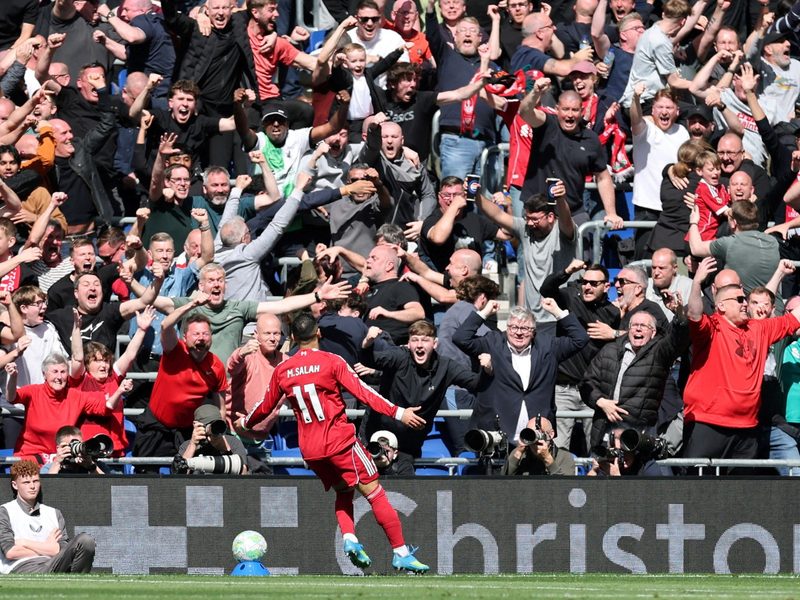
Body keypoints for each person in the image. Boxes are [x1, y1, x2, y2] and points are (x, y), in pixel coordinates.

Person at [235, 313, 429, 573]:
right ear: (318, 333)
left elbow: (264, 406)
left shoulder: (283, 370)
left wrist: (245, 423)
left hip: (311, 450)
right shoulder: (331, 361)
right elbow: (364, 392)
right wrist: (399, 412)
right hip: (339, 442)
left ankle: (349, 538)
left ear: (292, 338)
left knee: (344, 491)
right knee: (375, 493)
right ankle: (401, 552)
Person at [683, 257, 800, 461]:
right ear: (721, 305)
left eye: (744, 298)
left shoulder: (759, 328)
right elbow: (693, 313)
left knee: (742, 482)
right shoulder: (711, 327)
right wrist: (696, 283)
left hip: (747, 428)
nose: (745, 303)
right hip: (708, 423)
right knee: (699, 480)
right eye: (739, 300)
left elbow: (794, 318)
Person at [453, 298, 589, 443]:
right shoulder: (493, 342)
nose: (518, 333)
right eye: (513, 327)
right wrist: (484, 313)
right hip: (497, 434)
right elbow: (460, 338)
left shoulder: (548, 346)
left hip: (537, 434)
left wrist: (557, 312)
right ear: (507, 328)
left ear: (533, 332)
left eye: (524, 328)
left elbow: (580, 339)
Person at [360, 320, 480, 470]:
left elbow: (475, 383)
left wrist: (487, 367)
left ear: (435, 344)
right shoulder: (399, 356)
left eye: (425, 340)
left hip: (408, 443)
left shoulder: (446, 366)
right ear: (408, 344)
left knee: (405, 479)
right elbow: (371, 360)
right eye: (415, 340)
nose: (419, 345)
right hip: (376, 433)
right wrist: (368, 342)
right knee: (368, 477)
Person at [132, 294, 228, 461]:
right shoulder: (174, 350)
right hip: (156, 426)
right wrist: (192, 304)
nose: (201, 338)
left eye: (205, 334)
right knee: (145, 471)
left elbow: (220, 408)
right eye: (196, 334)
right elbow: (165, 325)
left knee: (186, 472)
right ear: (185, 337)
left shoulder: (216, 366)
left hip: (187, 432)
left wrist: (220, 435)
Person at [0, 460, 96, 574]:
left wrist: (25, 543)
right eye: (26, 482)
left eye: (35, 481)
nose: (32, 486)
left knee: (86, 540)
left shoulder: (54, 513)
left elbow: (62, 551)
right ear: (15, 485)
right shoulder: (5, 511)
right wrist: (49, 548)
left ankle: (76, 582)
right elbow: (11, 552)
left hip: (52, 563)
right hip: (21, 566)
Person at [176, 404, 247, 474]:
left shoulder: (232, 442)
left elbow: (243, 473)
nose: (213, 428)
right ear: (195, 425)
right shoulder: (188, 446)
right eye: (207, 424)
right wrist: (193, 445)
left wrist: (223, 447)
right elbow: (180, 476)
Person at [500, 416, 575, 476]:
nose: (534, 437)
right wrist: (517, 453)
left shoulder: (564, 456)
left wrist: (548, 459)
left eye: (539, 433)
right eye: (531, 433)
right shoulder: (521, 454)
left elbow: (565, 486)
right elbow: (502, 481)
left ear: (551, 434)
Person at [40, 426, 106, 475]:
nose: (76, 449)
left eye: (78, 444)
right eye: (70, 446)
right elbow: (48, 487)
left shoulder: (98, 465)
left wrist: (91, 466)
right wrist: (57, 463)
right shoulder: (48, 468)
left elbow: (107, 487)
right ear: (59, 448)